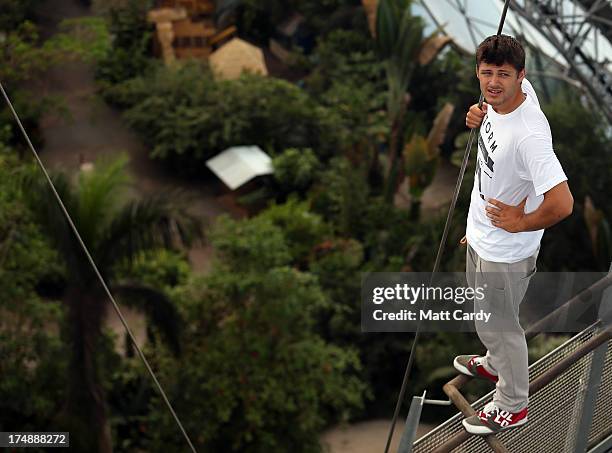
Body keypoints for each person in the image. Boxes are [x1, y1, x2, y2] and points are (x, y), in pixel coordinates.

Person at [453, 35, 574, 435]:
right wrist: (480, 112)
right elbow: (492, 115)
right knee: (487, 320)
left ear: (521, 76)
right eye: (486, 73)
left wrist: (518, 223)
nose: (493, 82)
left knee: (500, 326)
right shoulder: (501, 101)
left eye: (503, 75)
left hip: (504, 251)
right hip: (482, 236)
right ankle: (494, 361)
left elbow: (563, 203)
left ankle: (512, 403)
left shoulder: (530, 135)